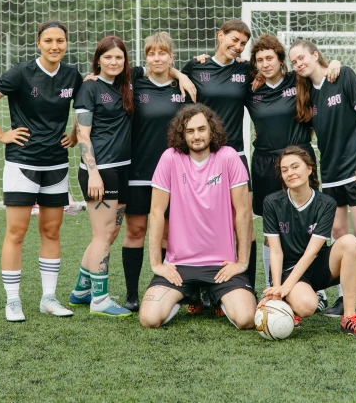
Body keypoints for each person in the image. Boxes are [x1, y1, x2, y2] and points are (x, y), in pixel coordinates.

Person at [0, 20, 82, 322]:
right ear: (38, 43)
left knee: (51, 230)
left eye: (60, 40)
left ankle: (48, 298)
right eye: (48, 40)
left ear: (66, 43)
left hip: (57, 164)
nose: (55, 46)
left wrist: (74, 133)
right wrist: (1, 135)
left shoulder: (72, 75)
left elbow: (88, 105)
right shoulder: (21, 73)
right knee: (17, 232)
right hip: (22, 163)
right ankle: (13, 301)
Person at [139, 104, 256, 330]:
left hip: (221, 265)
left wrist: (241, 262)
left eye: (202, 129)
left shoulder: (229, 157)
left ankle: (213, 295)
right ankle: (191, 294)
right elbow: (156, 213)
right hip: (179, 265)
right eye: (190, 131)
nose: (197, 136)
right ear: (182, 134)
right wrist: (156, 264)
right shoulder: (170, 158)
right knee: (149, 319)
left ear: (212, 130)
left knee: (246, 320)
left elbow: (243, 212)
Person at [288, 39, 356, 318]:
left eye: (302, 57)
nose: (299, 64)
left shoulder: (343, 76)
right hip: (330, 175)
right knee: (339, 235)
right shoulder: (307, 95)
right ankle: (343, 296)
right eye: (294, 61)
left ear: (315, 55)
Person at [246, 33, 340, 301]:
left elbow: (321, 73)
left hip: (299, 158)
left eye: (270, 58)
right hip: (265, 163)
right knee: (271, 230)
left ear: (280, 59)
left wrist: (335, 62)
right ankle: (271, 284)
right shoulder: (251, 90)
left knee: (311, 224)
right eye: (260, 60)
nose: (265, 64)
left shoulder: (298, 81)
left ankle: (316, 288)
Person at [262, 146, 356, 339]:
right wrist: (279, 288)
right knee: (307, 306)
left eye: (295, 166)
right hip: (290, 270)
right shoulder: (272, 203)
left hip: (317, 266)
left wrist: (285, 288)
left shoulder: (326, 203)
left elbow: (312, 252)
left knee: (349, 242)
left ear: (309, 169)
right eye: (284, 170)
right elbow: (276, 251)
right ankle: (290, 303)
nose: (290, 173)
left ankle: (349, 316)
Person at [182, 20, 257, 289]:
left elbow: (273, 79)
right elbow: (171, 80)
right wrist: (180, 75)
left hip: (235, 153)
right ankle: (199, 289)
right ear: (220, 36)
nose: (237, 47)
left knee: (244, 220)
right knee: (201, 222)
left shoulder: (246, 71)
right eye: (233, 40)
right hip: (201, 157)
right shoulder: (196, 66)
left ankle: (246, 283)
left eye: (242, 44)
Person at [69, 35, 137, 317]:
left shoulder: (125, 85)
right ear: (98, 60)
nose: (113, 61)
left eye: (118, 57)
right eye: (108, 57)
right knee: (103, 234)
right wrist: (94, 173)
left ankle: (81, 291)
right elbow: (83, 133)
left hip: (124, 168)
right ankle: (100, 299)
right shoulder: (90, 88)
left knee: (111, 232)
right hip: (100, 172)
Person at [122, 32, 188, 312]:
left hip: (174, 174)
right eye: (151, 53)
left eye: (162, 53)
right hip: (138, 170)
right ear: (145, 56)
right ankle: (131, 294)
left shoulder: (184, 87)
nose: (157, 58)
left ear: (171, 57)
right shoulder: (134, 81)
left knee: (169, 233)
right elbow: (107, 70)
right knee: (136, 230)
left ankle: (160, 288)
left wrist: (180, 75)